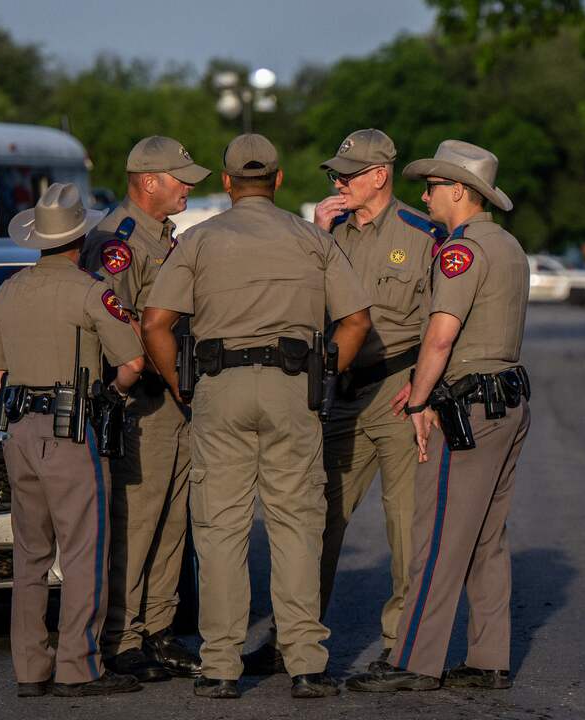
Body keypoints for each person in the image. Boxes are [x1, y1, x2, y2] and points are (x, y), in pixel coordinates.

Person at [140, 134, 371, 700]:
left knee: (220, 530)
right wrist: (325, 374)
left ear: (225, 182)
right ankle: (307, 664)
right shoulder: (311, 239)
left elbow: (154, 323)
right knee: (296, 525)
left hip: (218, 390)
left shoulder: (199, 240)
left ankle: (220, 666)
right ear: (279, 179)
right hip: (294, 387)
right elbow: (358, 320)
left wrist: (183, 388)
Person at [243, 129, 444, 676]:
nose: (338, 183)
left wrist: (429, 392)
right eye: (335, 175)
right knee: (314, 519)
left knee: (406, 526)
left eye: (348, 175)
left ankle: (402, 646)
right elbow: (298, 306)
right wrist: (316, 236)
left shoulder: (423, 234)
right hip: (341, 394)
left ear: (379, 175)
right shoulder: (324, 235)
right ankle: (292, 640)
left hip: (401, 391)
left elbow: (444, 320)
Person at [348, 140, 531, 692]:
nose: (423, 195)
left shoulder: (462, 250)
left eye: (432, 186)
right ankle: (488, 658)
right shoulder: (509, 245)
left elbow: (440, 336)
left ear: (459, 191)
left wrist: (421, 398)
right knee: (485, 538)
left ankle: (412, 661)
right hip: (507, 399)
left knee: (438, 537)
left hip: (469, 405)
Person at [0, 183, 146, 697]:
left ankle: (30, 669)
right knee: (82, 552)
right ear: (80, 238)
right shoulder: (92, 291)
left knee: (29, 555)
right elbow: (132, 364)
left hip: (19, 431)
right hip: (71, 430)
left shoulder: (7, 291)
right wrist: (106, 397)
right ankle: (78, 666)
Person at [83, 136, 209, 682]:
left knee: (172, 518)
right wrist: (167, 374)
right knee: (136, 520)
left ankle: (159, 629)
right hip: (144, 401)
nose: (188, 186)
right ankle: (122, 634)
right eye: (180, 177)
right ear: (149, 180)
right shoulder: (120, 241)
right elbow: (119, 324)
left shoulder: (161, 238)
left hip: (177, 396)